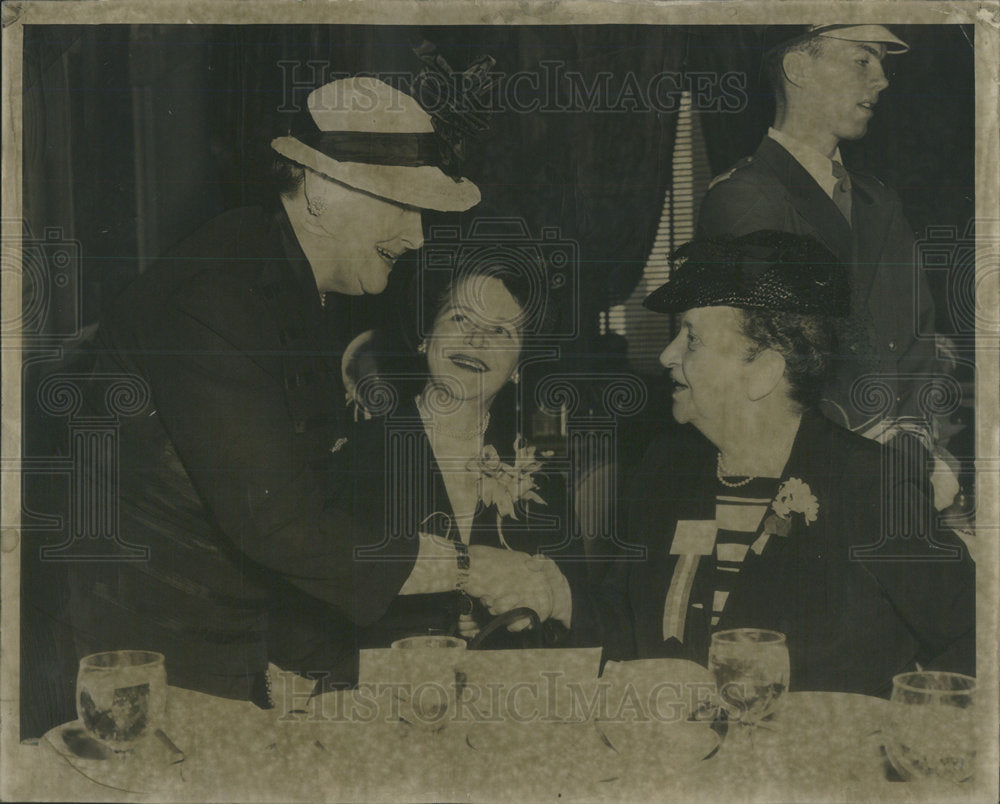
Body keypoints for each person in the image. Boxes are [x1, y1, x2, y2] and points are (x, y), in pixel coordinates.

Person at [62, 76, 534, 705]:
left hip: (218, 650)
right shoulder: (222, 293)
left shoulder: (283, 280)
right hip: (144, 662)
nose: (418, 237)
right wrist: (469, 567)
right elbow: (278, 520)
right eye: (403, 206)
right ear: (320, 192)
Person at [543, 231, 973, 696]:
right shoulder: (662, 469)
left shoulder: (872, 486)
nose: (667, 356)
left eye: (691, 339)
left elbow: (979, 636)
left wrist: (905, 725)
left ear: (765, 372)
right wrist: (553, 595)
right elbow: (626, 637)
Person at [696, 25, 958, 508]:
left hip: (898, 466)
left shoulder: (880, 200)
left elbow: (917, 335)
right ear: (798, 69)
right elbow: (778, 353)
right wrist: (880, 452)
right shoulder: (741, 198)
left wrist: (914, 443)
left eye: (881, 63)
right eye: (862, 60)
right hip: (803, 475)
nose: (881, 80)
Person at [336, 259, 575, 654]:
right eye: (462, 318)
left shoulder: (542, 476)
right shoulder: (354, 455)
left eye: (501, 331)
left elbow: (571, 616)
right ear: (425, 336)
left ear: (518, 366)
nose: (477, 340)